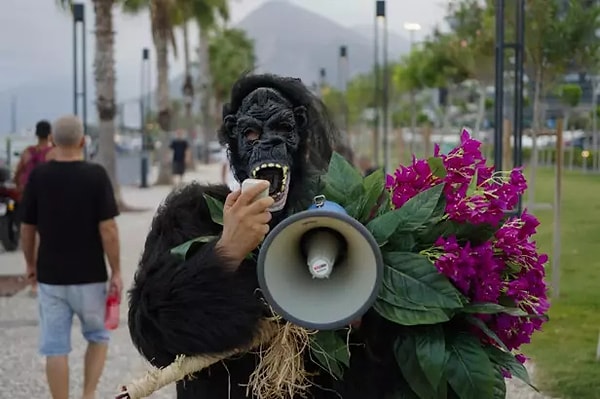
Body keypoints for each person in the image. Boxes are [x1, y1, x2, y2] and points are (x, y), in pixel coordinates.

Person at [126, 74, 403, 398]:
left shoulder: (341, 217)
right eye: (252, 133)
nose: (268, 143)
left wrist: (362, 315)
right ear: (233, 140)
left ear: (300, 134)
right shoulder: (191, 216)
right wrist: (225, 252)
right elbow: (151, 332)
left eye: (282, 130)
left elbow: (385, 355)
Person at [19, 115, 123, 399]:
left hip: (51, 278)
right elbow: (109, 230)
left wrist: (30, 264)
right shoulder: (96, 176)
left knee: (55, 348)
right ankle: (88, 395)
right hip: (90, 277)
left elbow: (27, 229)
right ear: (82, 141)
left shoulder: (39, 177)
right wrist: (116, 271)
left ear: (52, 140)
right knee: (98, 337)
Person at [13, 119, 56, 296]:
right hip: (49, 200)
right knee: (46, 238)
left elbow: (17, 174)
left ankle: (33, 276)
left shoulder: (27, 153)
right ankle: (46, 277)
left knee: (29, 234)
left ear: (36, 134)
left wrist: (20, 189)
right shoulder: (53, 153)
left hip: (29, 199)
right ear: (50, 134)